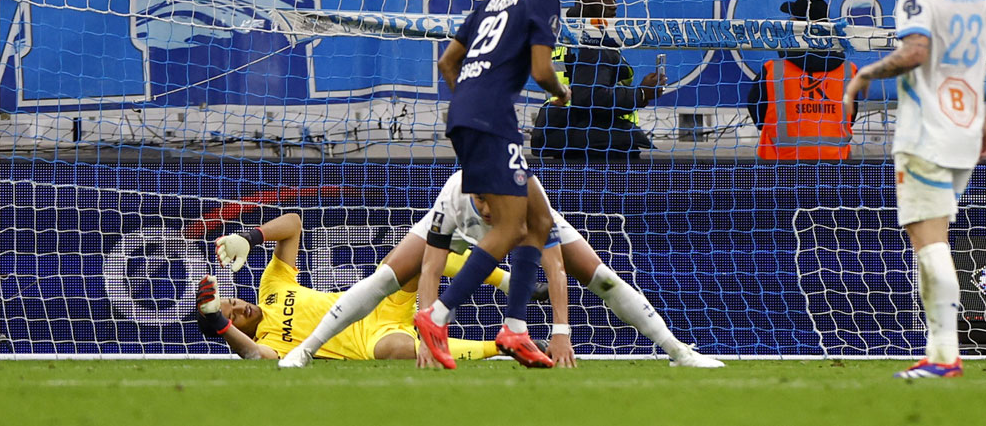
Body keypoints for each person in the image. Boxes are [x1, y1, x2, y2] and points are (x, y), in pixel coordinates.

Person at [277, 172, 724, 368]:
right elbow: (431, 268)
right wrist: (428, 338)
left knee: (602, 277)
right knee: (383, 279)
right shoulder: (453, 197)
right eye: (483, 205)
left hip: (528, 229)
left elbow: (553, 263)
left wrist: (563, 330)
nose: (488, 212)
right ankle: (306, 351)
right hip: (452, 236)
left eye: (494, 205)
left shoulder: (525, 191)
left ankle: (679, 351)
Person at [843, 0, 986, 379]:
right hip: (967, 127)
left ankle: (945, 356)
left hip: (927, 131)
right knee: (931, 236)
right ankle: (937, 352)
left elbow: (916, 51)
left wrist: (865, 76)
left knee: (929, 240)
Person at [413, 0, 571, 370]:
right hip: (492, 121)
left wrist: (469, 99)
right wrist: (561, 92)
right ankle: (438, 315)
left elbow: (448, 62)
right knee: (512, 226)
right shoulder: (542, 0)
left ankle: (515, 329)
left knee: (538, 221)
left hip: (466, 114)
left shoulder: (491, 0)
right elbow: (542, 71)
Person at [193, 212, 503, 362]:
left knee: (416, 251)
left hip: (376, 300)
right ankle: (501, 347)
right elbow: (253, 355)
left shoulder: (271, 287)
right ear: (233, 330)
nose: (239, 307)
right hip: (371, 340)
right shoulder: (270, 345)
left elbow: (293, 224)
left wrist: (250, 237)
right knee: (396, 350)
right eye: (233, 316)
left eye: (231, 301)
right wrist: (218, 321)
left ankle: (507, 281)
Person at [532, 0, 666, 160]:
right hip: (592, 141)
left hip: (560, 131)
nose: (613, 6)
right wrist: (641, 93)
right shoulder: (592, 40)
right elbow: (589, 95)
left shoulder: (565, 33)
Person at [747, 0, 857, 161]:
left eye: (792, 19)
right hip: (835, 164)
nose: (788, 22)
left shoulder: (772, 70)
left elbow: (757, 113)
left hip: (778, 166)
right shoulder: (848, 71)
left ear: (798, 26)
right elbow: (851, 115)